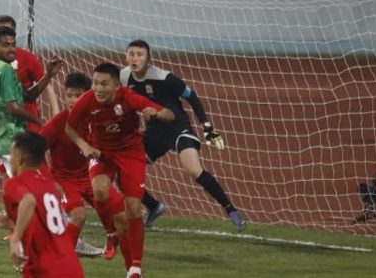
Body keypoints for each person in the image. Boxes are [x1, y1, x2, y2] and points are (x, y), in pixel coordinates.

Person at [121, 39, 245, 232]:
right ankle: (154, 207)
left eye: (139, 54)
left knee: (194, 170)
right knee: (123, 172)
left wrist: (206, 126)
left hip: (178, 127)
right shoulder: (123, 77)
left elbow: (191, 96)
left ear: (148, 58)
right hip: (154, 131)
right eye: (131, 54)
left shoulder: (165, 78)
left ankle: (231, 210)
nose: (134, 58)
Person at [65, 63, 175, 278]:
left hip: (130, 155)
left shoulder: (129, 98)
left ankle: (135, 267)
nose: (98, 88)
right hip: (102, 154)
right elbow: (70, 127)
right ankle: (111, 232)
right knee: (99, 192)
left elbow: (170, 115)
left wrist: (156, 113)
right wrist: (84, 146)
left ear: (117, 85)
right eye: (95, 83)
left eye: (104, 84)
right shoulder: (87, 99)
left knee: (133, 206)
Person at [37, 72, 131, 265]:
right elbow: (34, 152)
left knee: (122, 217)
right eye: (69, 95)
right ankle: (61, 261)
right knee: (78, 216)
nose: (72, 100)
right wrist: (50, 181)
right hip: (65, 181)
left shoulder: (97, 119)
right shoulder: (57, 123)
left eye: (77, 95)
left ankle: (131, 266)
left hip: (90, 178)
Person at [0, 26, 61, 178]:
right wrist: (39, 121)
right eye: (5, 45)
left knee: (24, 186)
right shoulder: (5, 70)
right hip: (11, 139)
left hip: (3, 139)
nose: (12, 49)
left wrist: (48, 75)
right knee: (31, 186)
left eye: (13, 44)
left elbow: (29, 96)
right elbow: (13, 107)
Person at [2, 132, 84, 277]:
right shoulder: (51, 186)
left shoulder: (14, 184)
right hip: (71, 267)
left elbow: (28, 201)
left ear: (20, 159)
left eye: (12, 155)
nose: (10, 160)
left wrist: (14, 240)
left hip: (44, 268)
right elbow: (39, 222)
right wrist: (4, 222)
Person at [0, 15, 59, 132]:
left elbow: (33, 94)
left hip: (28, 126)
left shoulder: (27, 58)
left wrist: (56, 116)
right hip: (6, 129)